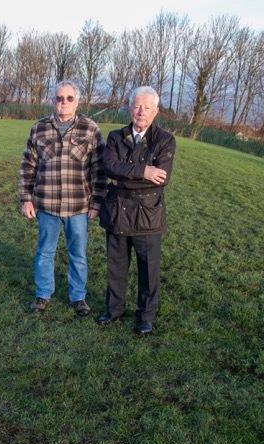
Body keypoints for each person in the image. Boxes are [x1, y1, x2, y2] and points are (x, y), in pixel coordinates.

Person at [18, 80, 107, 316]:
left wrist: (97, 202)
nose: (64, 102)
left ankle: (78, 296)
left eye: (69, 98)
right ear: (53, 101)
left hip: (79, 207)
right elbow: (28, 165)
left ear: (77, 101)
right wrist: (26, 198)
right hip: (46, 205)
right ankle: (43, 293)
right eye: (59, 98)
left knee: (78, 254)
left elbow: (99, 170)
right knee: (45, 252)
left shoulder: (90, 129)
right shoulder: (39, 128)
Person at [96, 86, 176, 334]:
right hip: (117, 210)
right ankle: (114, 309)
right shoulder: (115, 137)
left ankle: (146, 316)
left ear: (156, 111)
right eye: (137, 106)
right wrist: (144, 171)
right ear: (129, 108)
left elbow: (161, 178)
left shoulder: (165, 140)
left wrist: (123, 176)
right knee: (116, 266)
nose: (141, 112)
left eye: (147, 108)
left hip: (147, 213)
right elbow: (108, 167)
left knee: (148, 269)